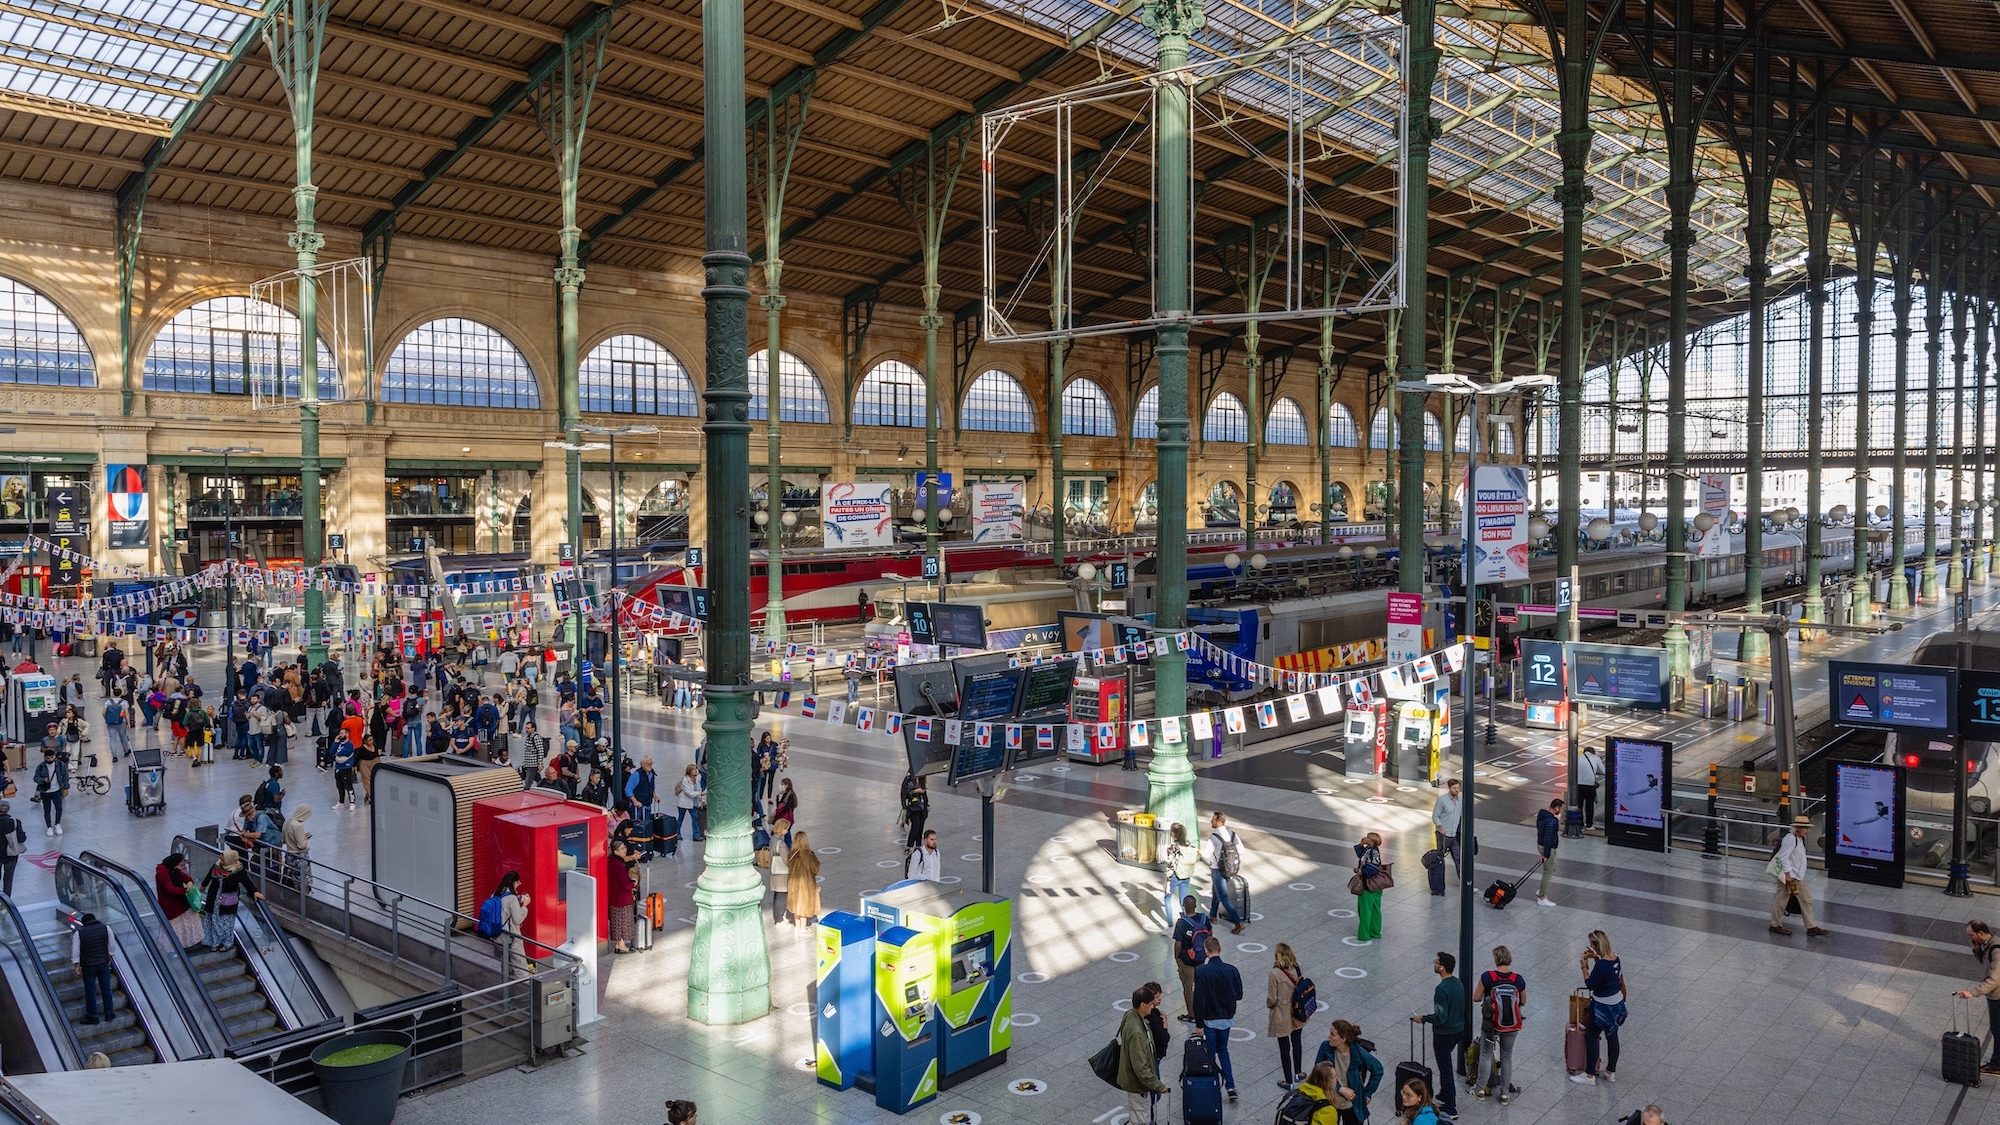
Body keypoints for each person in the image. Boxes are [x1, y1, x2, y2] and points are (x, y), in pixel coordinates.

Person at [1410, 951, 1465, 1118]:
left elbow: (1441, 1017)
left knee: (1445, 1068)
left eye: (1436, 962)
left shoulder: (1441, 989)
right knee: (1446, 1064)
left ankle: (1451, 1107)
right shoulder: (1458, 983)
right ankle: (1444, 1094)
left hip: (1444, 1033)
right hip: (1458, 1030)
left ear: (1442, 967)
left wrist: (1423, 1018)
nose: (1434, 963)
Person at [1470, 945, 1526, 1103]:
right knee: (1507, 1056)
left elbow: (1475, 997)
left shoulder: (1488, 977)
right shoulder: (1518, 979)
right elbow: (1523, 1001)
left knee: (1486, 1054)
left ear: (1495, 959)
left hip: (1491, 1025)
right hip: (1512, 1024)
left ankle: (1479, 1089)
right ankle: (1505, 1093)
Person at [1192, 936, 1243, 1102]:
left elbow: (1199, 1000)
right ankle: (1230, 1086)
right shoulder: (1232, 970)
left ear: (1206, 951)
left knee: (1211, 1053)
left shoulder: (1201, 972)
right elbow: (1239, 994)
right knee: (1223, 1050)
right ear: (1220, 949)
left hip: (1209, 1019)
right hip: (1226, 1018)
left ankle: (1213, 1087)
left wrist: (1199, 1024)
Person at [1575, 929, 1626, 1085]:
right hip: (1617, 1004)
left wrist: (1584, 966)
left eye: (1592, 944)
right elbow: (1611, 976)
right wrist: (1597, 958)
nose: (1590, 946)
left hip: (1602, 1006)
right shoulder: (1616, 958)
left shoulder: (1602, 965)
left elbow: (1591, 984)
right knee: (1612, 1037)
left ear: (1597, 944)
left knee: (1591, 1037)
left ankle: (1589, 1075)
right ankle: (1610, 1072)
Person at [1116, 985, 1171, 1123]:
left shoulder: (1131, 1014)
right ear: (1142, 1005)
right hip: (1138, 1085)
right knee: (1141, 1119)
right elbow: (1140, 1067)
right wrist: (1158, 1086)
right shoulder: (1137, 1032)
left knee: (1137, 1116)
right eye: (1151, 1004)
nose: (1153, 1007)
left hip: (1133, 1081)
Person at [1953, 919, 2000, 1075]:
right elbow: (1986, 964)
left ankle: (1997, 1065)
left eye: (1971, 935)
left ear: (1981, 933)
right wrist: (1977, 950)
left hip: (1998, 995)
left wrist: (1972, 993)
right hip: (1995, 994)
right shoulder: (1988, 945)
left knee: (1998, 1030)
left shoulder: (1996, 949)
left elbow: (1995, 979)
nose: (1970, 938)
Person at [1769, 815, 1829, 936]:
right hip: (1790, 878)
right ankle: (1775, 925)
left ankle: (1811, 927)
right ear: (1798, 828)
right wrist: (1787, 875)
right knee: (1781, 901)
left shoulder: (1798, 839)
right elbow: (1783, 857)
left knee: (1806, 900)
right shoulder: (1791, 839)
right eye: (1805, 828)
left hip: (1798, 877)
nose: (1808, 831)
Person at [1312, 1021, 1383, 1124]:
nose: (1328, 1036)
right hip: (1330, 1099)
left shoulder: (1358, 1053)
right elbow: (1318, 1073)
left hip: (1352, 1102)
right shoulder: (1325, 1047)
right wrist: (1339, 1088)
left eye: (1333, 1034)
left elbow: (1378, 1069)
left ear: (1343, 1039)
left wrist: (1368, 1093)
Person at [199, 849, 262, 952]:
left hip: (228, 900)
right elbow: (209, 875)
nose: (221, 861)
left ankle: (226, 944)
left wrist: (254, 891)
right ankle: (214, 943)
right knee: (213, 920)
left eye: (223, 860)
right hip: (214, 897)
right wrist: (204, 885)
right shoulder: (217, 865)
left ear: (229, 860)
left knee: (226, 922)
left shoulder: (238, 869)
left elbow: (247, 882)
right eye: (221, 859)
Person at [1268, 942, 1307, 1089]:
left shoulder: (1274, 973)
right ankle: (1298, 1072)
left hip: (1282, 1013)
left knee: (1284, 1047)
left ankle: (1288, 1081)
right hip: (1297, 1010)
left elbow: (1272, 998)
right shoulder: (1299, 966)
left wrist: (1269, 1005)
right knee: (1297, 1041)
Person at [1202, 811, 1247, 935]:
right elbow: (1241, 851)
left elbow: (1206, 854)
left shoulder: (1214, 837)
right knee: (1216, 891)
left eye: (1213, 820)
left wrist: (1198, 851)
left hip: (1217, 869)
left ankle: (1238, 922)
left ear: (1218, 821)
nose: (1211, 821)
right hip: (1230, 868)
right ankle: (1212, 915)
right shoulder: (1232, 834)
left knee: (1222, 896)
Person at [71, 912, 114, 1025]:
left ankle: (93, 1016)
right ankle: (109, 1013)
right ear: (95, 919)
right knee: (106, 988)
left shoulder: (79, 933)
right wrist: (110, 956)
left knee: (90, 990)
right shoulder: (106, 928)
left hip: (88, 965)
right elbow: (111, 945)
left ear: (83, 923)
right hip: (103, 963)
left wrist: (76, 965)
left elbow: (76, 950)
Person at [156, 852, 203, 950]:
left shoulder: (173, 869)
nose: (179, 866)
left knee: (189, 918)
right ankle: (176, 946)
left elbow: (186, 878)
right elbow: (169, 889)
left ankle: (188, 943)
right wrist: (185, 890)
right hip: (171, 903)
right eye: (179, 864)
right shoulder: (162, 873)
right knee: (176, 925)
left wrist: (189, 882)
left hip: (180, 900)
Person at [607, 825, 639, 954]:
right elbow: (625, 884)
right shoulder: (619, 865)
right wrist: (633, 884)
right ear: (615, 851)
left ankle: (618, 943)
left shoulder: (611, 862)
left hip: (614, 897)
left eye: (624, 848)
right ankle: (621, 945)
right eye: (621, 849)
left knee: (616, 922)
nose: (624, 850)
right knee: (622, 922)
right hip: (621, 898)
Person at [494, 871, 531, 977]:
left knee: (506, 963)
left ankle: (506, 986)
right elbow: (518, 919)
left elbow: (504, 908)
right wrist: (525, 906)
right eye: (518, 882)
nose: (519, 884)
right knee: (520, 966)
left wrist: (518, 899)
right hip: (512, 936)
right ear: (514, 883)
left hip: (498, 935)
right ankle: (526, 989)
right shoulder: (512, 899)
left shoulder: (496, 893)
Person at [1163, 822, 1198, 930]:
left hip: (1175, 876)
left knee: (1167, 898)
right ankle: (1188, 922)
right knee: (1183, 900)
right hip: (1186, 875)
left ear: (1173, 833)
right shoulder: (1189, 844)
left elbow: (1170, 865)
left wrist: (1168, 882)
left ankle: (1169, 924)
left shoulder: (1173, 847)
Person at [1429, 778, 1461, 892]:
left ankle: (1464, 883)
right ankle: (1438, 886)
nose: (1456, 790)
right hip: (1443, 834)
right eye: (1454, 788)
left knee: (1458, 859)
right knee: (1439, 859)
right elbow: (1435, 816)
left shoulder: (1461, 799)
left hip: (1454, 835)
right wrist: (1440, 826)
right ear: (1449, 788)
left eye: (1458, 788)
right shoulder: (1442, 800)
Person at [1352, 832, 1385, 942]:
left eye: (1367, 837)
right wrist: (1360, 844)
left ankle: (1364, 934)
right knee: (1375, 909)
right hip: (1377, 885)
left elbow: (1372, 870)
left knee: (1365, 910)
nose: (1364, 838)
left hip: (1368, 885)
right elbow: (1359, 853)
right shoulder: (1371, 850)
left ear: (1371, 841)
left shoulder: (1371, 853)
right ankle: (1375, 932)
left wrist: (1359, 870)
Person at [787, 831, 822, 927]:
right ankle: (803, 928)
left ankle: (797, 927)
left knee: (796, 904)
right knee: (804, 904)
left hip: (793, 883)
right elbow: (815, 869)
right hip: (805, 884)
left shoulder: (791, 854)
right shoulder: (809, 855)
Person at [1535, 798, 1563, 906]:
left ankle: (1541, 890)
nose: (1561, 811)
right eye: (1561, 809)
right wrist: (1546, 854)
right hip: (1548, 847)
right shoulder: (1552, 821)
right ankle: (1541, 897)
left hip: (1541, 844)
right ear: (1556, 808)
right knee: (1548, 873)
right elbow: (1548, 838)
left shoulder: (1542, 816)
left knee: (1552, 868)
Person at [33, 747, 67, 837]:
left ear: (54, 757)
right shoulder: (41, 767)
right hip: (45, 791)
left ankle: (57, 824)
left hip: (57, 790)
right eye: (48, 758)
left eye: (51, 758)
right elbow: (35, 777)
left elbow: (65, 777)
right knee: (47, 809)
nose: (50, 760)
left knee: (59, 808)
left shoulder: (60, 765)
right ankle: (49, 827)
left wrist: (66, 788)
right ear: (45, 758)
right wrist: (43, 780)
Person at [1576, 744, 1604, 830]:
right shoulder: (1596, 758)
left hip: (1578, 784)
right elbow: (1603, 771)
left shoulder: (1577, 757)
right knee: (1589, 805)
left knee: (1579, 805)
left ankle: (1579, 824)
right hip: (1590, 785)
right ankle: (1589, 824)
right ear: (1593, 753)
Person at [675, 764, 705, 842]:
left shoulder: (697, 779)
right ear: (689, 771)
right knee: (681, 818)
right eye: (693, 769)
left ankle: (696, 835)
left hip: (693, 803)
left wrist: (702, 800)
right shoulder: (685, 780)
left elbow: (699, 789)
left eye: (696, 769)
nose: (695, 771)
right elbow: (689, 793)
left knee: (695, 819)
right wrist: (699, 794)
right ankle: (677, 833)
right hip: (683, 803)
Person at [900, 772, 929, 851]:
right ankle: (909, 845)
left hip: (922, 806)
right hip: (913, 807)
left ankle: (918, 845)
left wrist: (927, 805)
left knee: (921, 826)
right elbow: (904, 794)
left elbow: (925, 793)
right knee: (915, 826)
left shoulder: (921, 779)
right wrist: (916, 791)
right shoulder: (909, 780)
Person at [0, 801, 23, 896]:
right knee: (8, 879)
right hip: (11, 855)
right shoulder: (14, 822)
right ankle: (5, 903)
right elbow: (22, 838)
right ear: (8, 809)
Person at [103, 692, 132, 759]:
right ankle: (126, 751)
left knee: (112, 739)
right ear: (120, 694)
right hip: (121, 722)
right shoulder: (124, 702)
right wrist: (128, 723)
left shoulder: (108, 702)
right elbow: (126, 713)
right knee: (123, 737)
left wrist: (107, 719)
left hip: (111, 723)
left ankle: (114, 755)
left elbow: (103, 713)